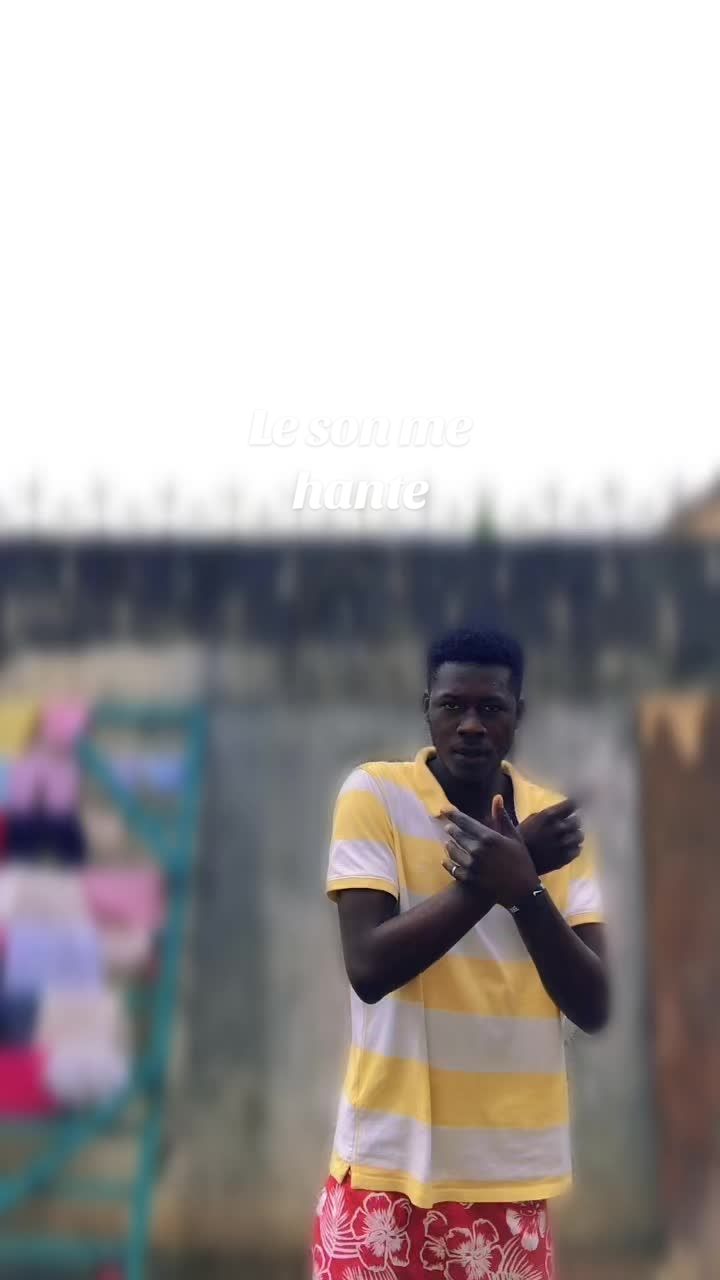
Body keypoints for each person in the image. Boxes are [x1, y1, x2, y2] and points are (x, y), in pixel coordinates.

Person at [313, 625, 609, 1280]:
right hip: (384, 1179)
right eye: (453, 705)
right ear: (427, 708)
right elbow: (369, 968)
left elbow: (594, 1005)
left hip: (510, 1187)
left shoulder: (555, 826)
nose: (471, 725)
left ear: (518, 714)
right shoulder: (374, 796)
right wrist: (508, 868)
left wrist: (526, 889)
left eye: (491, 707)